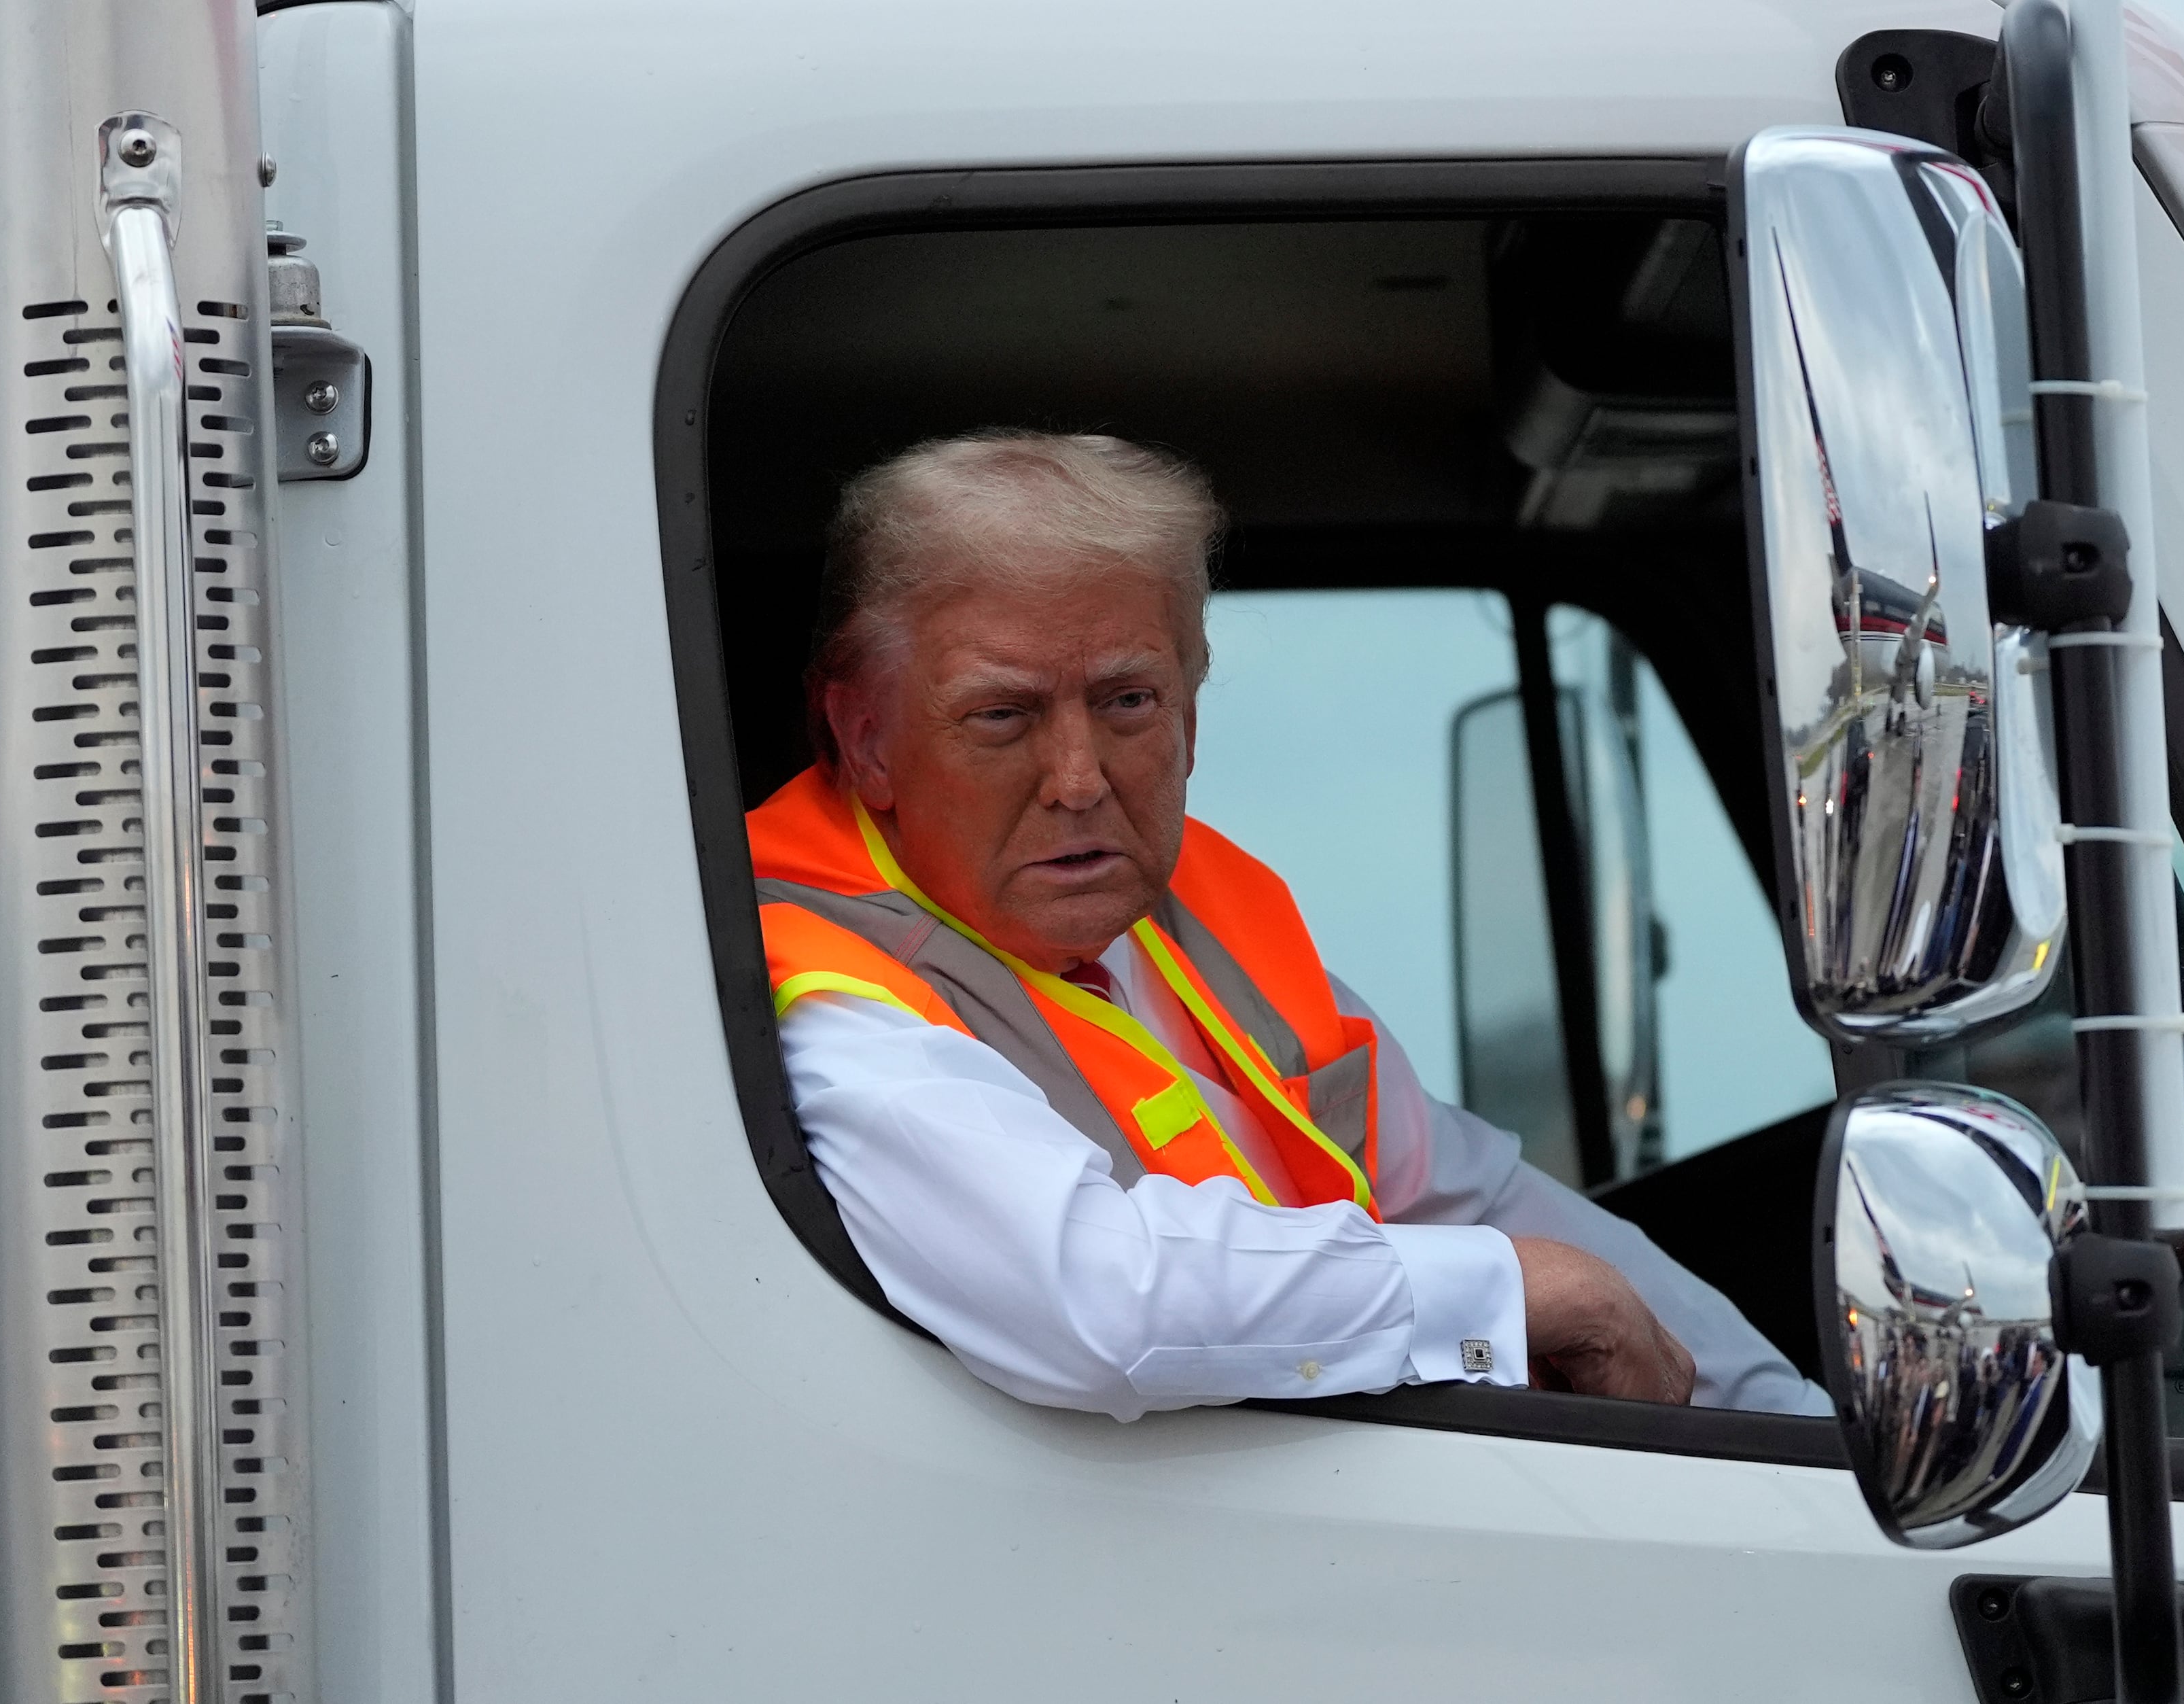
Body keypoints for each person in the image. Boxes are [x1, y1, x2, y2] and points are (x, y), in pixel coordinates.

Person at [750, 430, 1828, 1423]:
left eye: (1128, 700)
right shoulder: (821, 993)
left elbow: (1476, 1191)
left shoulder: (1197, 928)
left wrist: (1794, 1434)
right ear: (868, 738)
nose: (1079, 779)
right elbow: (1100, 1305)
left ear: (1192, 713)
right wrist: (1509, 1290)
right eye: (1003, 715)